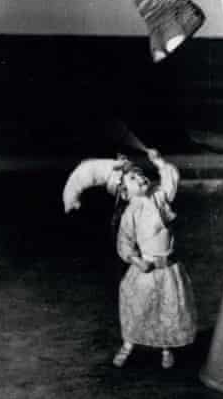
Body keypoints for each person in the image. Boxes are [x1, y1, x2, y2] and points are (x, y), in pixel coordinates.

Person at [62, 148, 197, 369]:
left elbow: (170, 181)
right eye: (132, 178)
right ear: (124, 192)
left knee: (167, 308)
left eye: (140, 174)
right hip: (145, 269)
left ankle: (165, 348)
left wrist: (159, 162)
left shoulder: (158, 197)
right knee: (139, 307)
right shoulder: (130, 213)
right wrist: (136, 260)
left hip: (167, 269)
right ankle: (128, 345)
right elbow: (124, 243)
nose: (141, 177)